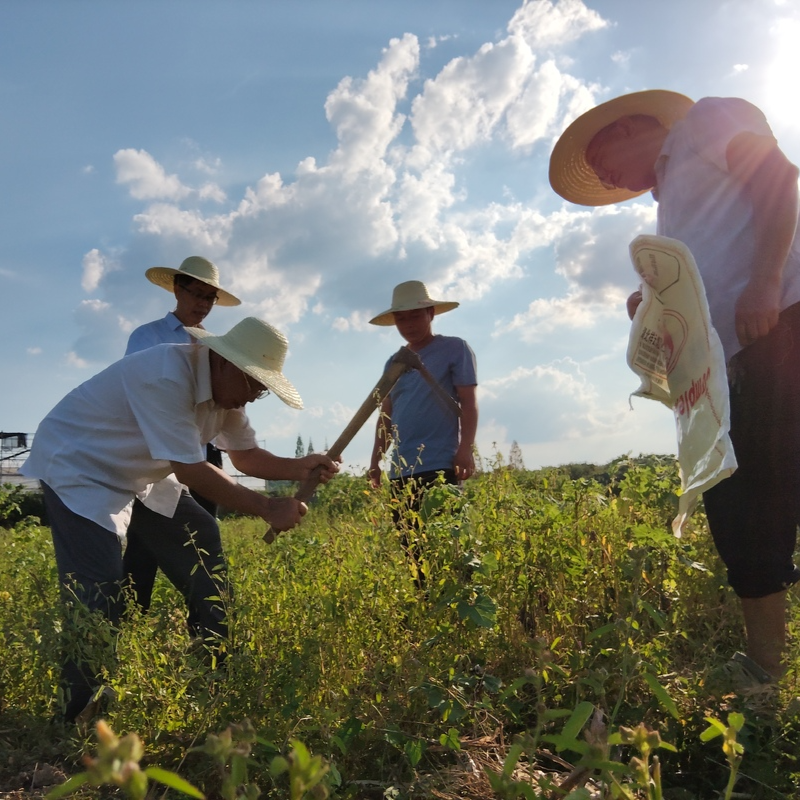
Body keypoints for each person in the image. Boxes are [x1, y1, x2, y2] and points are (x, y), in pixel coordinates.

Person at [549, 90, 800, 681]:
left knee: (771, 489)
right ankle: (766, 672)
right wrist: (653, 305)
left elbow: (779, 181)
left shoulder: (707, 121)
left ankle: (765, 672)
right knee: (741, 508)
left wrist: (765, 283)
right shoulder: (670, 202)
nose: (604, 174)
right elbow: (705, 276)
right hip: (727, 367)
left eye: (600, 154)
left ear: (633, 124)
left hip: (783, 331)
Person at [21, 317, 339, 723]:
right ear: (226, 363)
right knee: (98, 584)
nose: (251, 399)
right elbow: (191, 470)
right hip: (80, 465)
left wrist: (300, 467)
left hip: (139, 473)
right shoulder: (165, 376)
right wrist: (266, 507)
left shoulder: (229, 397)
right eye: (254, 386)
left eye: (261, 391)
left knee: (200, 536)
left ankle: (213, 676)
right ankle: (80, 713)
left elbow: (245, 457)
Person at [124, 256, 239, 625]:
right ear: (177, 289)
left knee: (202, 543)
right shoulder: (147, 336)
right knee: (144, 544)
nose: (203, 303)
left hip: (204, 451)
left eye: (210, 298)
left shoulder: (218, 346)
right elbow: (142, 392)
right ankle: (129, 620)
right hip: (159, 454)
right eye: (197, 293)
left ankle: (204, 628)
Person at [368, 280, 478, 586]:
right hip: (402, 473)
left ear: (430, 313)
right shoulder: (395, 362)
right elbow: (386, 415)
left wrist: (465, 448)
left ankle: (462, 611)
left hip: (442, 467)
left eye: (415, 315)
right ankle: (428, 609)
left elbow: (468, 402)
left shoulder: (454, 348)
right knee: (414, 554)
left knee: (452, 549)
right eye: (401, 318)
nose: (408, 324)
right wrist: (376, 462)